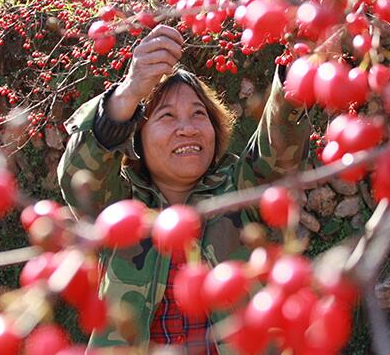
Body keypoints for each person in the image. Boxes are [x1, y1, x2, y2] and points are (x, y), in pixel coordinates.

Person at [57, 25, 310, 353]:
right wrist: (130, 92)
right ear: (138, 140)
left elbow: (278, 146)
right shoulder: (120, 210)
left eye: (198, 114)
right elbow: (80, 173)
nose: (187, 129)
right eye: (166, 116)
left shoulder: (240, 192)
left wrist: (298, 63)